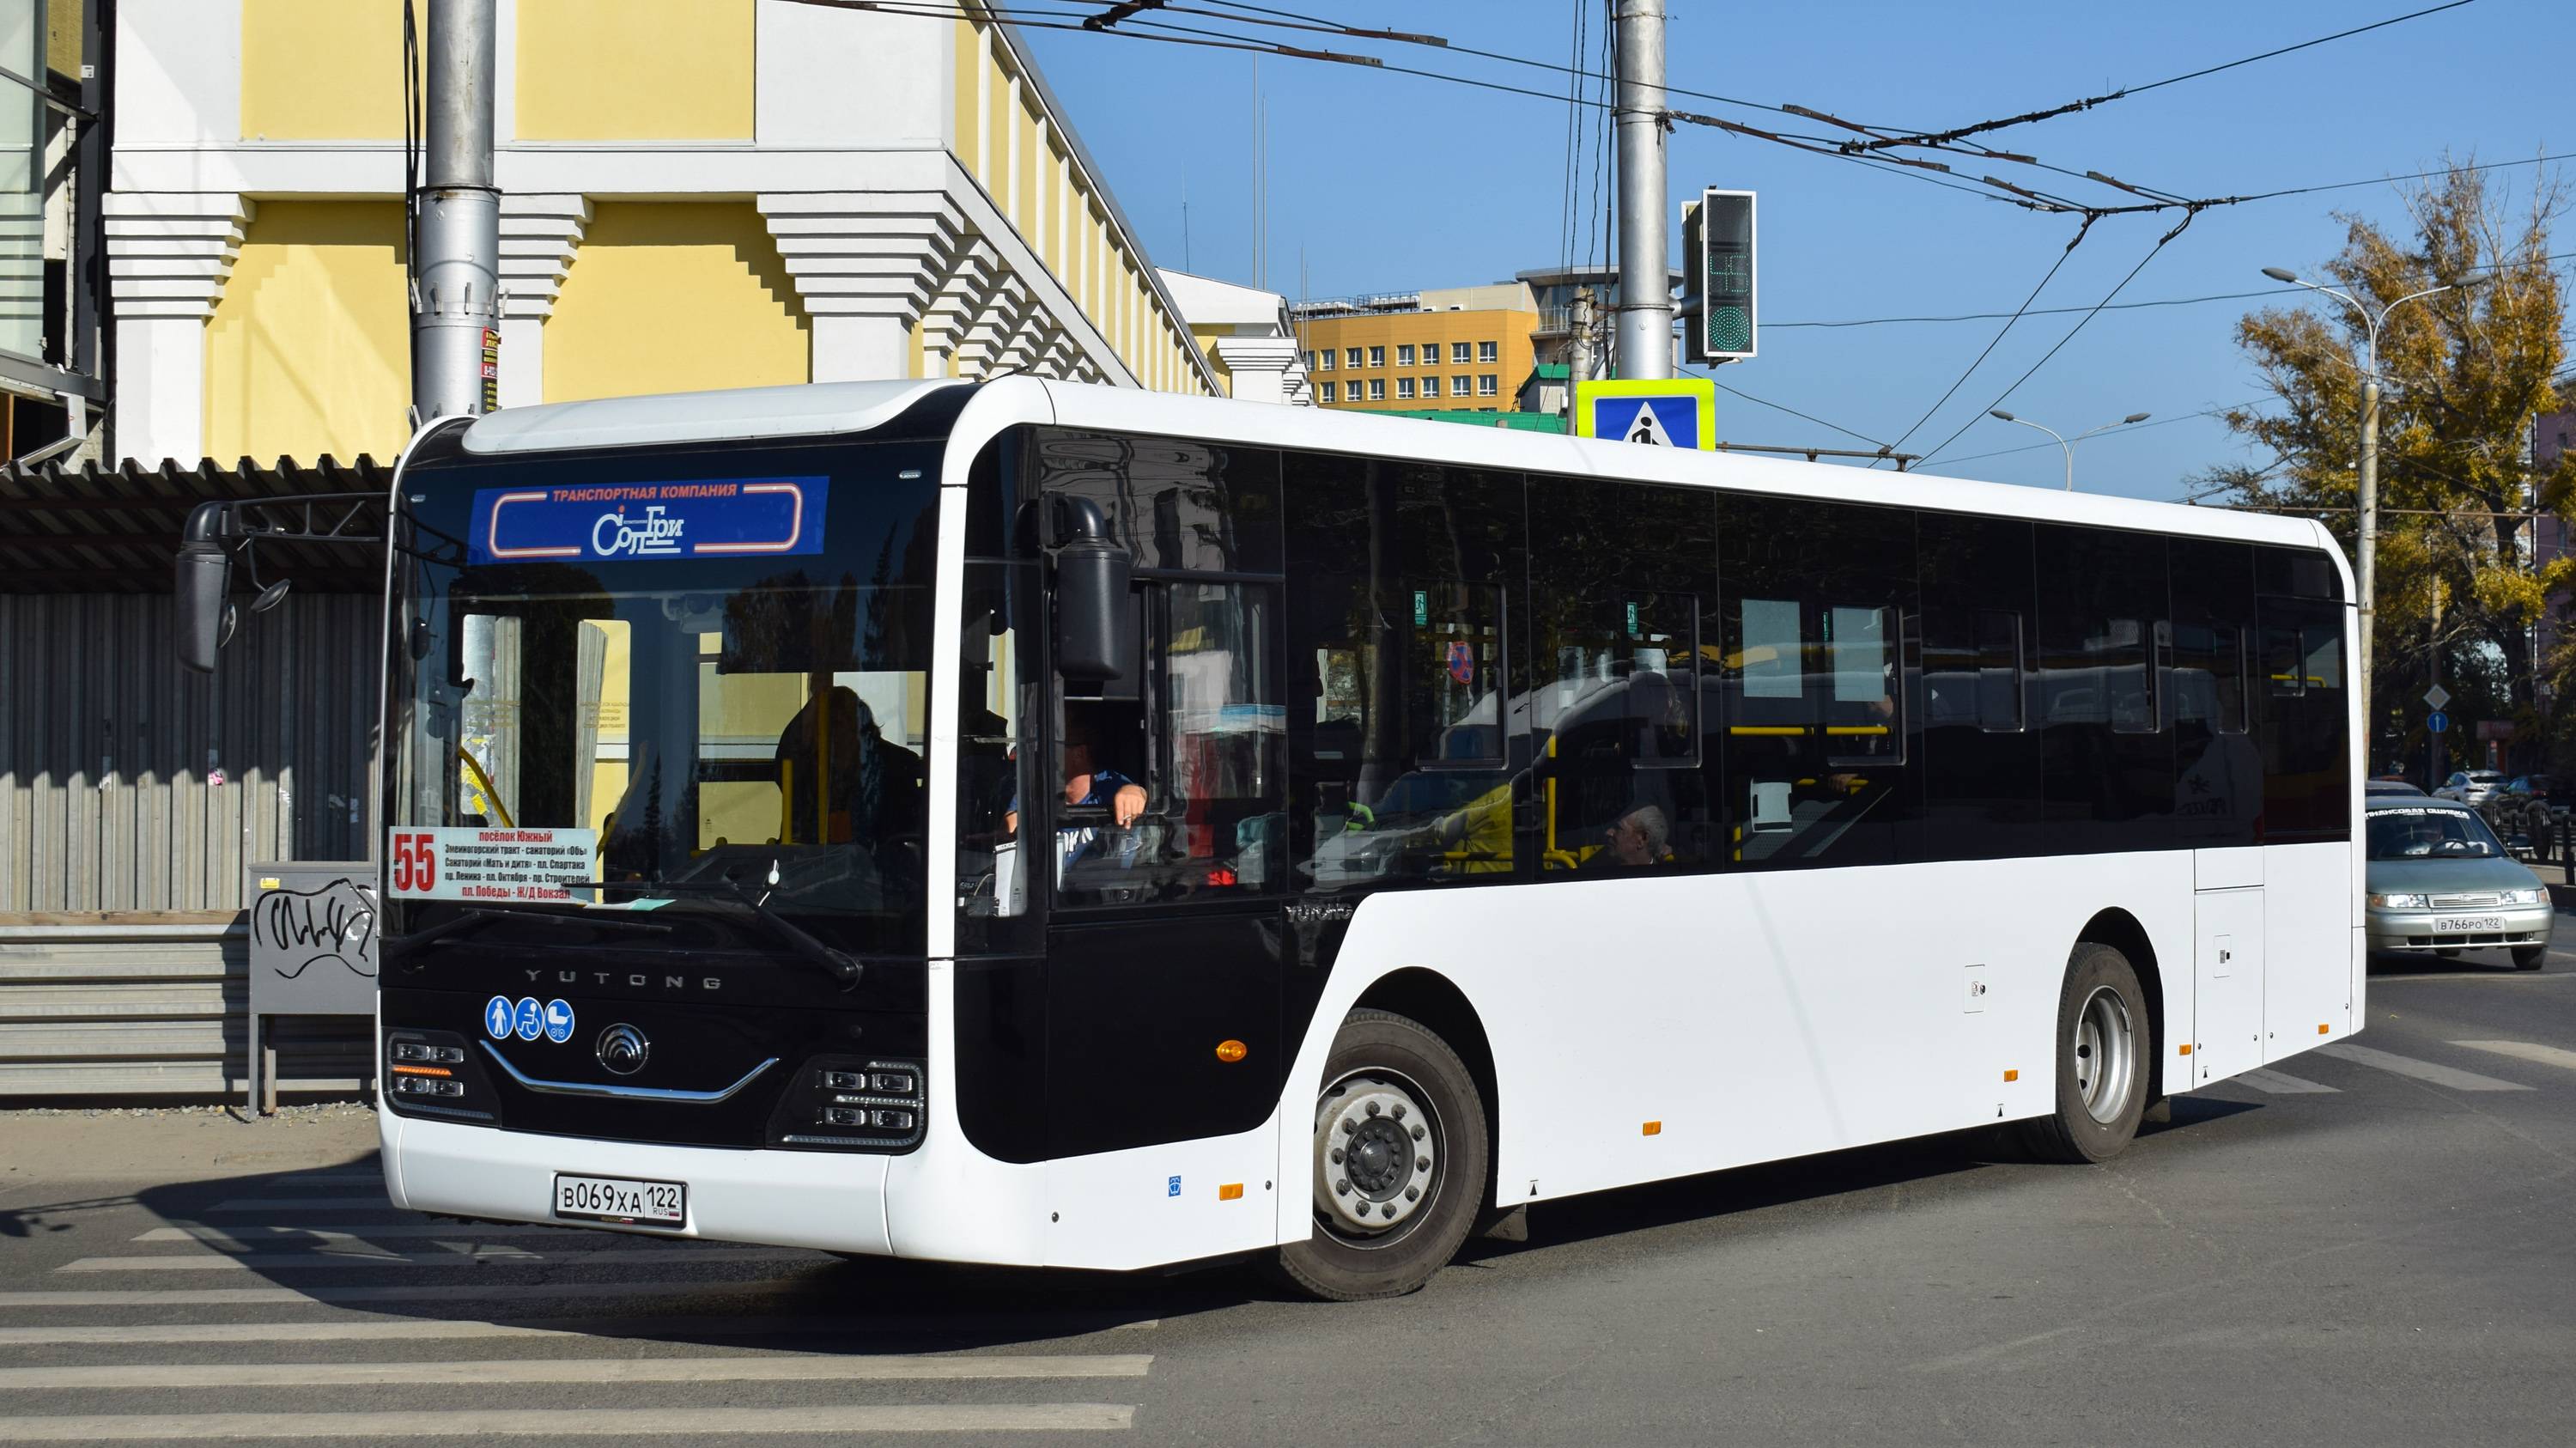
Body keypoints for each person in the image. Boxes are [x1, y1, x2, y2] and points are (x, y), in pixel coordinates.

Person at [1584, 803, 1670, 871]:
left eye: (1618, 828)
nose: (1608, 832)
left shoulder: (1669, 878)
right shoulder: (1593, 868)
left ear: (1643, 839)